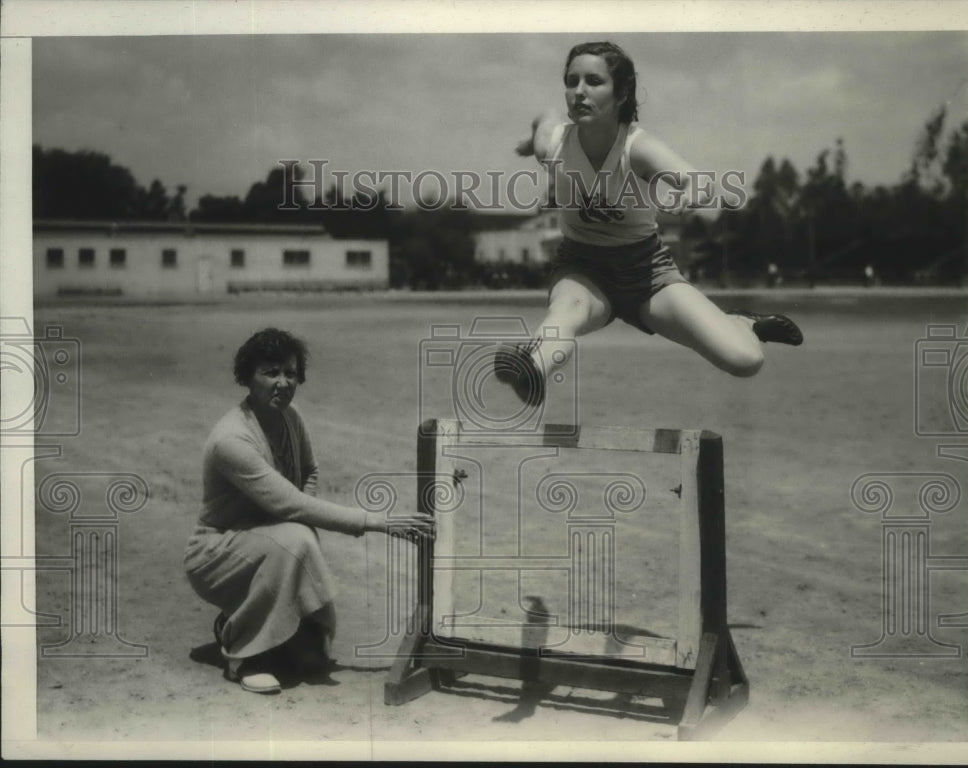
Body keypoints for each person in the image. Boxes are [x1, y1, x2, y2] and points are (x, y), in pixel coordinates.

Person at [495, 41, 803, 406]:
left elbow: (691, 176)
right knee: (567, 314)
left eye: (594, 81)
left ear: (622, 92)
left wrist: (692, 191)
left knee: (745, 360)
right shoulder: (556, 145)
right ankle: (532, 368)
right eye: (571, 81)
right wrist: (532, 140)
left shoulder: (636, 148)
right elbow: (544, 118)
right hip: (583, 269)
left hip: (648, 275)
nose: (578, 91)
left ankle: (743, 323)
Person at [183, 328, 434, 694]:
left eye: (290, 372)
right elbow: (292, 504)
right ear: (247, 378)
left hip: (269, 543)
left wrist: (295, 527)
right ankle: (245, 657)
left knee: (313, 659)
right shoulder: (231, 440)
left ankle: (232, 621)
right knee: (295, 539)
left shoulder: (290, 416)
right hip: (216, 553)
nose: (283, 382)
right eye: (270, 372)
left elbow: (310, 471)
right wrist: (380, 522)